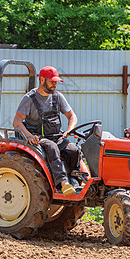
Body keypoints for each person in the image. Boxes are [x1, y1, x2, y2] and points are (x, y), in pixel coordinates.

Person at [13, 66, 80, 196]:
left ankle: (75, 180)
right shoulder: (29, 99)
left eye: (56, 82)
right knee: (52, 147)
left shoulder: (57, 97)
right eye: (52, 81)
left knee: (73, 150)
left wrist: (69, 130)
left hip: (56, 136)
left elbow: (72, 116)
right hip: (38, 137)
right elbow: (17, 122)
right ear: (42, 80)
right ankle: (63, 184)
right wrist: (29, 136)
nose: (55, 84)